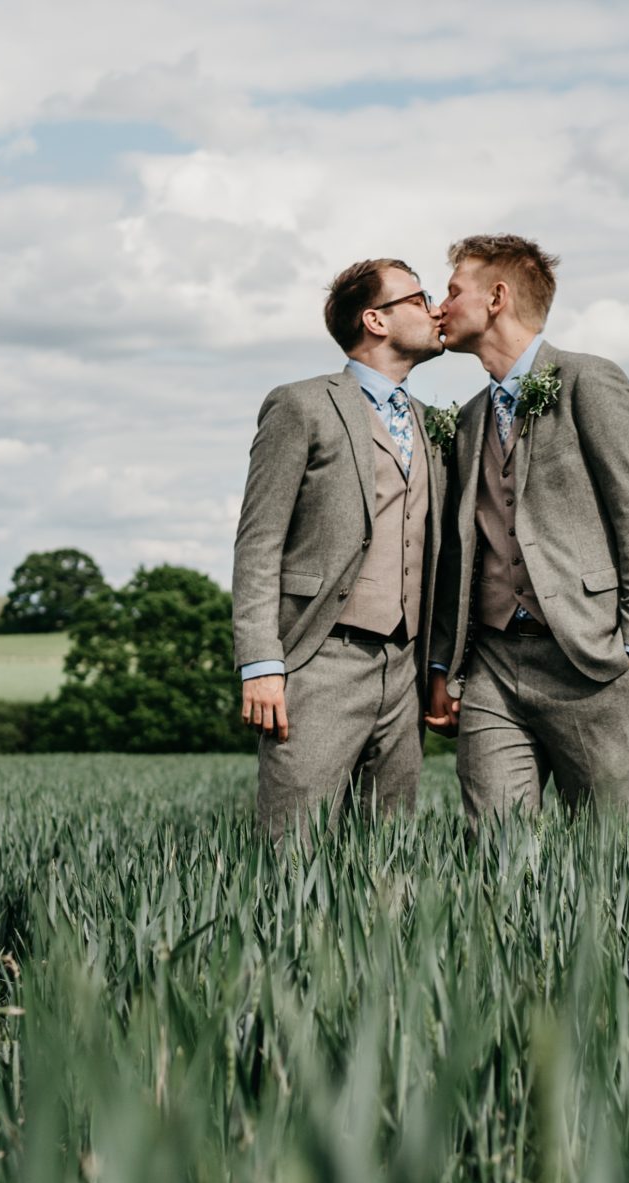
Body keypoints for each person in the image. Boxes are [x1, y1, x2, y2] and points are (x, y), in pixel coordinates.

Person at [425, 234, 629, 819]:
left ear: (497, 298)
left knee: (607, 857)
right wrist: (443, 664)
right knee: (494, 850)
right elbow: (457, 554)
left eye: (453, 291)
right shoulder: (467, 420)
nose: (440, 306)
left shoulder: (590, 380)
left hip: (590, 658)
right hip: (489, 666)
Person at [230, 258, 449, 838]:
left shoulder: (431, 423)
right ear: (375, 320)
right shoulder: (300, 405)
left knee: (388, 854)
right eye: (420, 298)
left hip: (404, 667)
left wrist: (438, 665)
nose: (435, 310)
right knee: (292, 851)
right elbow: (258, 541)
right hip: (318, 658)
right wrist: (261, 664)